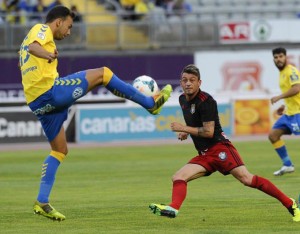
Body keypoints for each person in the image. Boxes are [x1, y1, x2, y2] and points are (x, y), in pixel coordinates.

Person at [18, 5, 172, 221]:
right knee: (104, 74)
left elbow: (29, 52)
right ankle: (150, 104)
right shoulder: (41, 29)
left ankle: (42, 202)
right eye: (69, 27)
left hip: (37, 103)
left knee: (60, 150)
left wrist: (46, 56)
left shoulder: (28, 40)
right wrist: (48, 55)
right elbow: (35, 48)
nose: (69, 32)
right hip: (49, 92)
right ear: (58, 21)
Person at [148, 64, 300, 222]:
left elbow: (209, 132)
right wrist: (186, 131)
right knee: (178, 177)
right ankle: (173, 208)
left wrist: (184, 127)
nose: (188, 83)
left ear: (199, 83)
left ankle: (290, 204)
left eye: (192, 80)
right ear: (180, 82)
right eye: (185, 80)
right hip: (205, 154)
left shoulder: (206, 101)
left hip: (220, 148)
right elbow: (196, 123)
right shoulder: (182, 100)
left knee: (246, 179)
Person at [269, 47, 300, 176]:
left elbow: (297, 88)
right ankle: (287, 165)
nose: (278, 59)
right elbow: (292, 95)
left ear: (286, 57)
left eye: (281, 56)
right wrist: (284, 106)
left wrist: (279, 97)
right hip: (289, 114)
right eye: (276, 57)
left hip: (298, 113)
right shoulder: (281, 73)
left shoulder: (291, 71)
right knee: (273, 135)